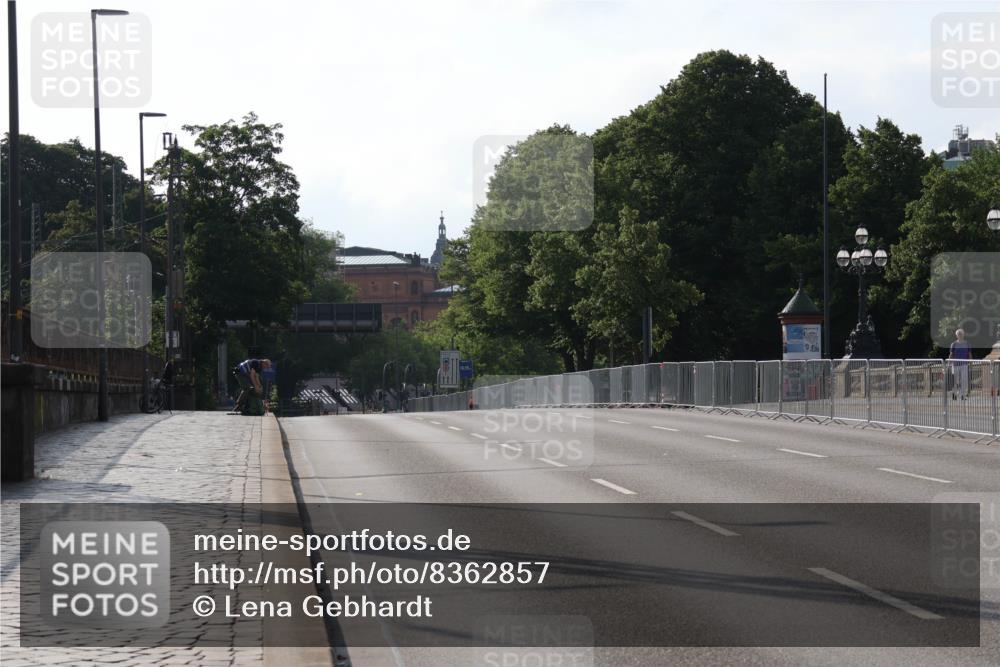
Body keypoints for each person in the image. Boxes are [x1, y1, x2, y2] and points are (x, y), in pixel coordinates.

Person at [949, 329, 971, 400]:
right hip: (955, 365)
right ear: (956, 336)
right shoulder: (954, 344)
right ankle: (954, 393)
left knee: (964, 380)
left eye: (961, 334)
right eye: (959, 334)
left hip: (964, 364)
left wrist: (971, 362)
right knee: (955, 380)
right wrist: (949, 363)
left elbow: (969, 353)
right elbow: (951, 354)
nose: (960, 335)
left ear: (963, 335)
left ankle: (962, 395)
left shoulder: (967, 343)